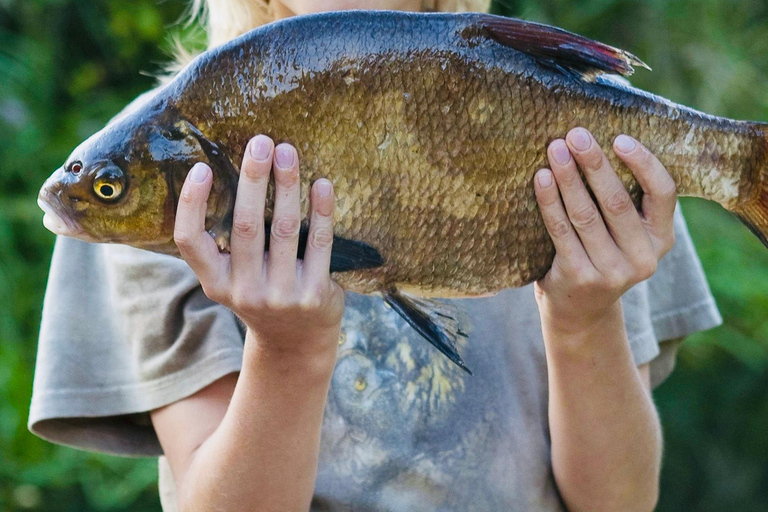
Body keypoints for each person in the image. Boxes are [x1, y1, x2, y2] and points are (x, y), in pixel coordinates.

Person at [29, 0, 723, 510]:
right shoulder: (163, 208)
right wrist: (289, 352)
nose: (103, 194)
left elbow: (620, 501)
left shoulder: (594, 142)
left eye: (109, 189)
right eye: (110, 190)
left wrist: (585, 319)